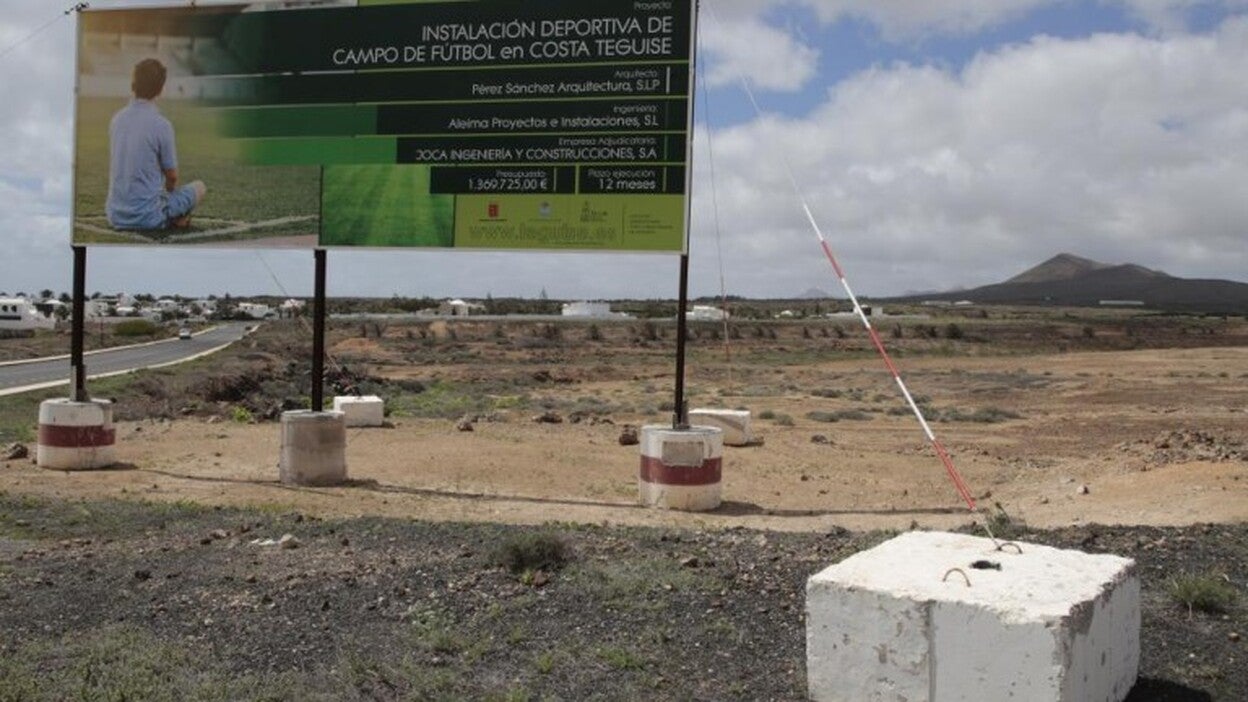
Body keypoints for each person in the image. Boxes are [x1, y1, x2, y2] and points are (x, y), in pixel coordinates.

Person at [106, 58, 207, 230]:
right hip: (148, 217)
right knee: (200, 187)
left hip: (115, 215)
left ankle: (173, 218)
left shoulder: (116, 119)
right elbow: (172, 177)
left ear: (133, 84)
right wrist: (168, 191)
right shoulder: (162, 125)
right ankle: (175, 219)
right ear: (160, 89)